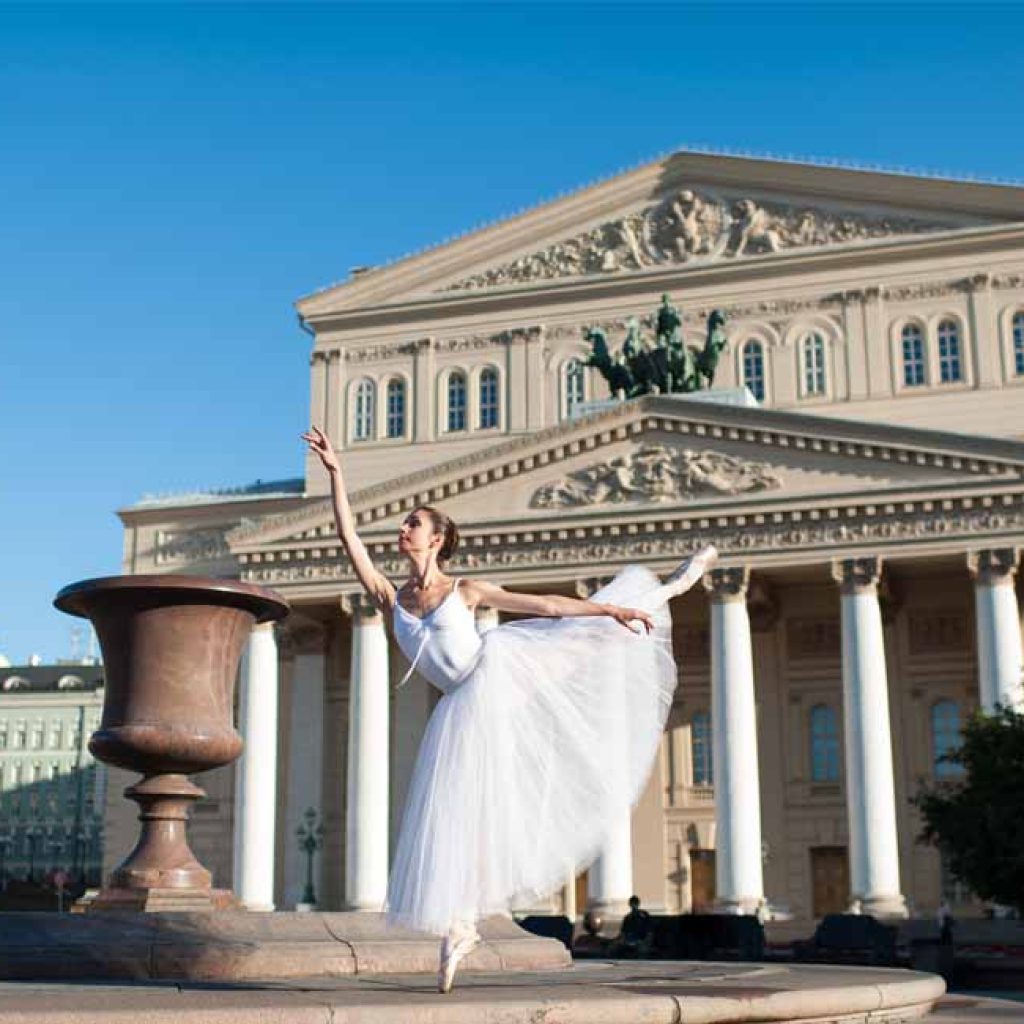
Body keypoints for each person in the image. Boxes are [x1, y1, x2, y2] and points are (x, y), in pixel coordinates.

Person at [302, 425, 718, 992]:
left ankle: (669, 589)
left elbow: (544, 605)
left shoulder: (466, 589)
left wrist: (609, 611)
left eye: (413, 524)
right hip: (459, 705)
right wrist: (337, 474)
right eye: (403, 524)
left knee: (585, 640)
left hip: (495, 676)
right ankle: (460, 926)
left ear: (438, 538)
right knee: (453, 813)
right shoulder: (390, 596)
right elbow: (348, 538)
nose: (403, 530)